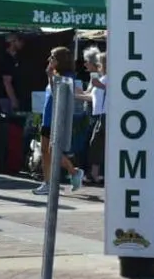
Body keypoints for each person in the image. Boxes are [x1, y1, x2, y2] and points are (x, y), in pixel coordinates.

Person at [33, 47, 84, 195]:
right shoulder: (56, 74)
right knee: (45, 150)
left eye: (53, 57)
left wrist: (50, 76)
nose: (50, 60)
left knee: (53, 150)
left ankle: (73, 171)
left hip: (57, 118)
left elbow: (59, 96)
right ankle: (48, 182)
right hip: (47, 117)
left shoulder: (68, 77)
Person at [87, 52, 107, 185]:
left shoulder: (108, 78)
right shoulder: (104, 77)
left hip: (106, 114)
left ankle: (96, 173)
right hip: (101, 113)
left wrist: (99, 86)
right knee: (96, 143)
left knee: (97, 143)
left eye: (100, 62)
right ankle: (95, 173)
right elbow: (93, 96)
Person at [0, 32, 24, 114]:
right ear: (12, 42)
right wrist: (13, 100)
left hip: (15, 95)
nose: (22, 43)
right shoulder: (6, 59)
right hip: (6, 99)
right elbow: (7, 81)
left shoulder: (17, 57)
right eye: (19, 40)